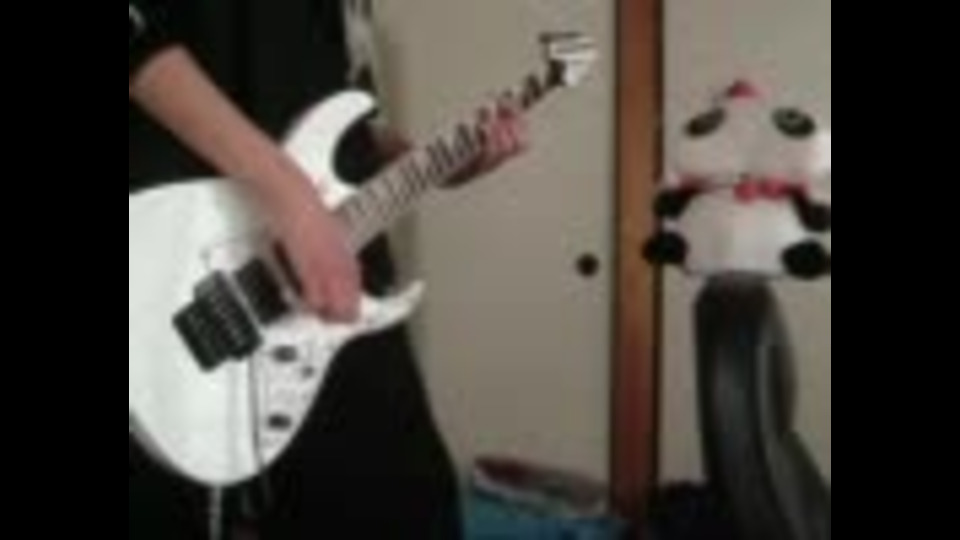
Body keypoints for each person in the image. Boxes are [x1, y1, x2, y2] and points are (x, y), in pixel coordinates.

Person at [128, 1, 526, 538]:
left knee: (401, 502)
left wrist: (440, 162)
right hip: (176, 260)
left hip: (323, 264)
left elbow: (347, 119)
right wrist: (290, 196)